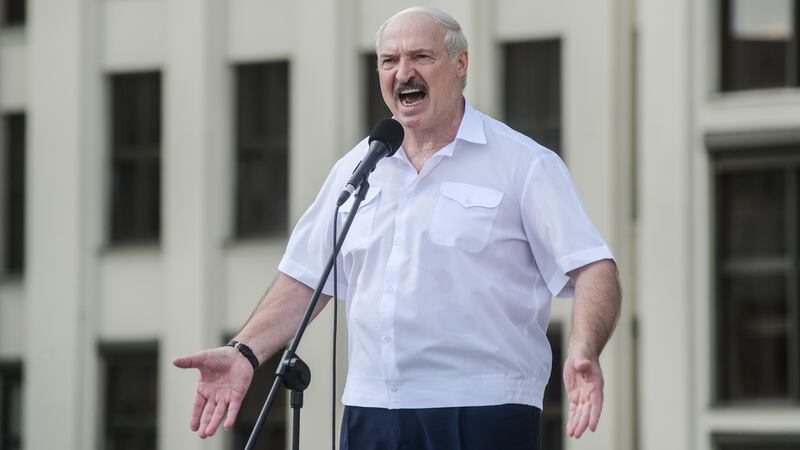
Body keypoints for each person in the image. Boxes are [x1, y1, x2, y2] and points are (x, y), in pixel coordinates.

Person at [174, 6, 621, 450]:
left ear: (461, 64)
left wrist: (584, 348)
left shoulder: (522, 163)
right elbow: (306, 277)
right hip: (371, 412)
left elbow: (592, 266)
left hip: (483, 409)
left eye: (420, 57)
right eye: (389, 61)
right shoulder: (358, 167)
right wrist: (244, 351)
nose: (403, 72)